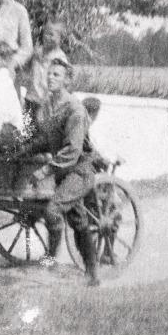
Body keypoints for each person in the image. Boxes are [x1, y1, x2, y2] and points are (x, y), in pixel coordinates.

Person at [18, 57, 101, 286]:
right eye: (49, 73)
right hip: (65, 174)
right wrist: (25, 149)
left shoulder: (74, 109)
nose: (51, 77)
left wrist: (44, 171)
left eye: (57, 75)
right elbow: (47, 139)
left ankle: (51, 260)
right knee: (79, 222)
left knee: (53, 209)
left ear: (67, 80)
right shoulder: (47, 106)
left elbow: (72, 151)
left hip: (80, 171)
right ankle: (93, 273)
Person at [24, 22, 69, 119]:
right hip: (31, 97)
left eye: (51, 34)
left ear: (61, 38)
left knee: (42, 129)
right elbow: (27, 68)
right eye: (45, 33)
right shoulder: (37, 51)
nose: (47, 37)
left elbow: (62, 83)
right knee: (27, 128)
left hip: (47, 101)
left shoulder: (60, 58)